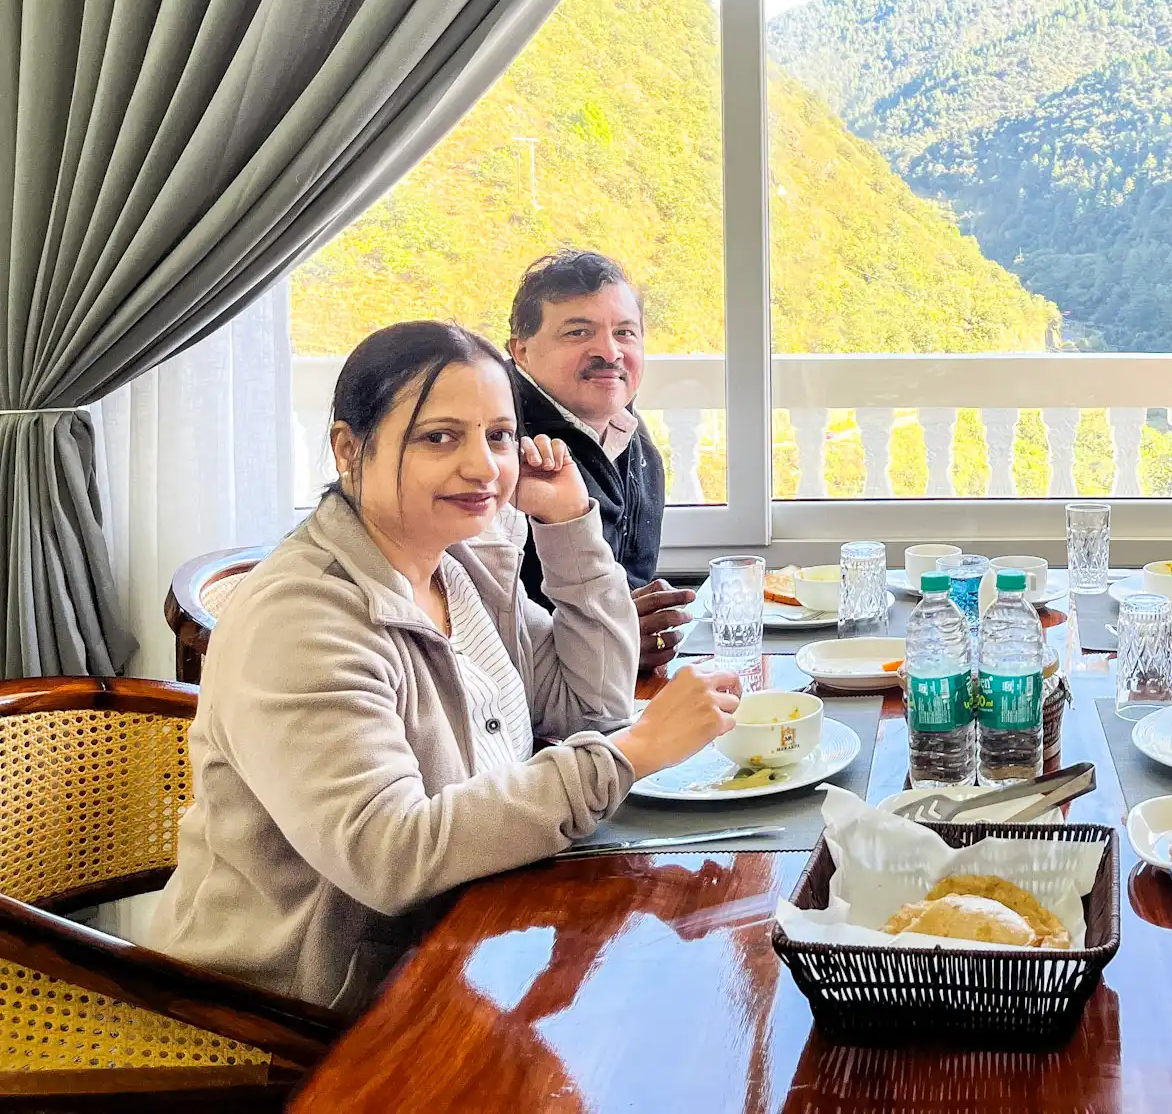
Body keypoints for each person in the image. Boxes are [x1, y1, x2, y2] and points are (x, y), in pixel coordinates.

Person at [152, 322, 738, 1010]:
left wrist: (570, 525)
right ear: (348, 448)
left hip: (456, 957)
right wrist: (631, 755)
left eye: (496, 436)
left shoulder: (451, 567)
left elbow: (588, 705)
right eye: (439, 437)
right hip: (289, 1018)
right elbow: (390, 854)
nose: (484, 467)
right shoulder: (303, 618)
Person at [505, 249, 690, 673]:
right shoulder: (508, 455)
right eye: (577, 333)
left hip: (613, 689)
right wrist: (612, 641)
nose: (608, 351)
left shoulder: (633, 439)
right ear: (522, 351)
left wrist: (634, 634)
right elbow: (483, 630)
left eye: (625, 333)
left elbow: (632, 595)